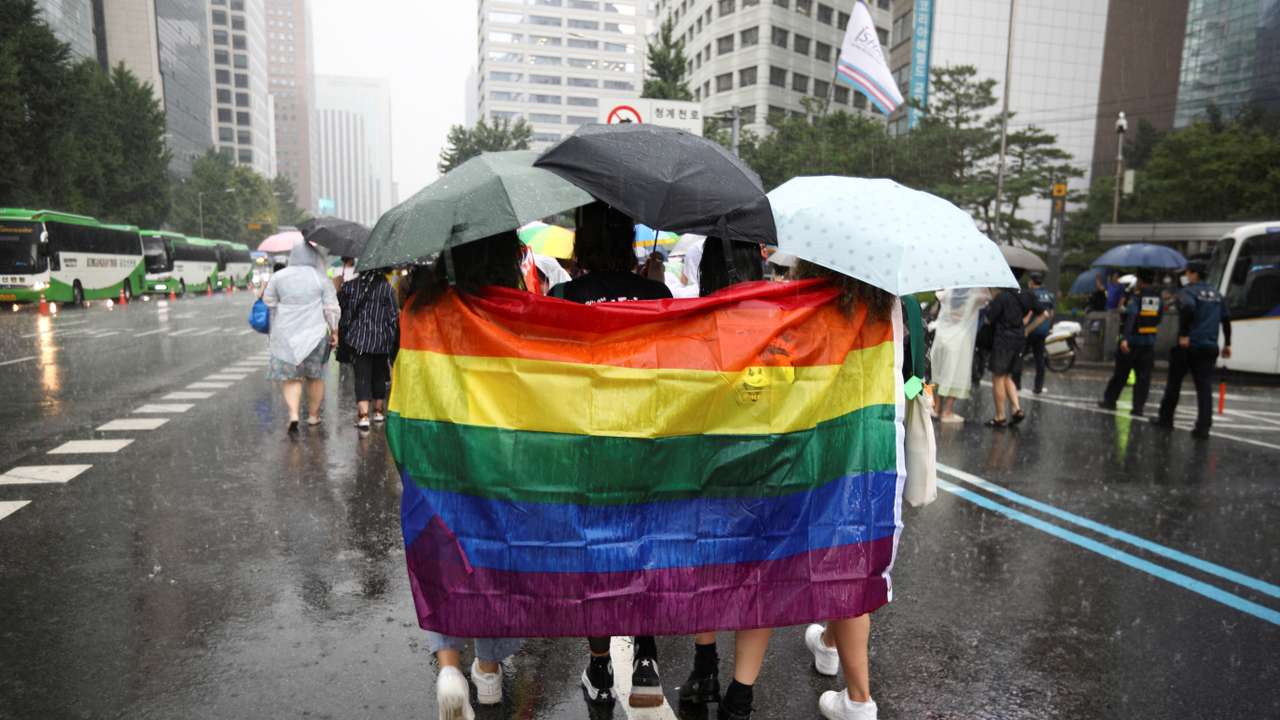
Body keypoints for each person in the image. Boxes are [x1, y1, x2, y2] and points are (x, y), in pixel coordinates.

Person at [402, 232, 527, 720]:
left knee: (442, 552)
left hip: (436, 456)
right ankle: (489, 670)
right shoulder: (514, 310)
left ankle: (449, 667)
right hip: (499, 457)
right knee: (495, 558)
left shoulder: (421, 309)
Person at [552, 202, 671, 710]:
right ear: (627, 242)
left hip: (588, 443)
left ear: (582, 242)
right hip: (646, 438)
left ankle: (600, 668)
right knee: (645, 544)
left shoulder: (562, 298)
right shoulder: (659, 295)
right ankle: (646, 658)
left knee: (596, 554)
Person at [792, 261, 896, 720]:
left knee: (843, 567)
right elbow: (915, 376)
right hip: (880, 449)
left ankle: (858, 699)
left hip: (826, 446)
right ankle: (830, 645)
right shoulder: (895, 309)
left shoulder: (811, 307)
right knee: (855, 557)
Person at [678, 237, 770, 720]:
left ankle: (705, 668)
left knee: (707, 569)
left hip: (708, 467)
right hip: (770, 468)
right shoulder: (785, 322)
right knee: (758, 580)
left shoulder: (693, 324)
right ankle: (740, 696)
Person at [263, 239, 340, 434]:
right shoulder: (320, 278)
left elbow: (269, 302)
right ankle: (313, 415)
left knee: (292, 378)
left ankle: (293, 414)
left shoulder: (279, 277)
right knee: (316, 376)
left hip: (286, 334)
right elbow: (331, 308)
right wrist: (334, 330)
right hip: (315, 334)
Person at [1153, 260, 1232, 438]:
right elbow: (1226, 319)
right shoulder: (1217, 294)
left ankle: (1166, 419)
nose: (1186, 276)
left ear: (1194, 274)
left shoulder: (1188, 292)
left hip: (1189, 346)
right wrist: (1228, 343)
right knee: (1204, 387)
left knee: (1174, 383)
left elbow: (1188, 307)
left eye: (1187, 273)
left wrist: (1184, 334)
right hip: (1210, 346)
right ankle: (1203, 426)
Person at [337, 268, 399, 430]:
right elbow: (393, 316)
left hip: (359, 340)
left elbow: (341, 309)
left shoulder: (350, 286)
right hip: (381, 340)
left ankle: (363, 416)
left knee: (362, 377)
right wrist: (390, 338)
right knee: (380, 375)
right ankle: (378, 412)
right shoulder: (387, 288)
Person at [1098, 269, 1163, 415]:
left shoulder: (1136, 297)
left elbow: (1131, 318)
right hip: (1148, 342)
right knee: (1143, 378)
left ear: (1140, 280)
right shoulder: (1158, 298)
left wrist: (1125, 338)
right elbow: (1159, 318)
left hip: (1133, 341)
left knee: (1121, 374)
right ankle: (1138, 407)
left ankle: (1110, 401)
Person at [928, 287, 991, 423]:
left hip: (941, 337)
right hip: (959, 340)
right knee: (955, 374)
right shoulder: (974, 297)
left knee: (938, 374)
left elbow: (939, 295)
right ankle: (947, 411)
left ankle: (936, 408)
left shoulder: (947, 293)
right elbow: (987, 297)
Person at [985, 286, 1030, 428]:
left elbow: (989, 319)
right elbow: (1031, 312)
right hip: (1019, 340)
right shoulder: (1022, 295)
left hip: (1003, 341)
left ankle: (1000, 416)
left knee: (998, 377)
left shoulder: (1002, 297)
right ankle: (1016, 408)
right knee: (1008, 376)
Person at [1022, 272, 1055, 394]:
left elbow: (1026, 312)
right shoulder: (1049, 295)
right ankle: (1038, 387)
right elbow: (1051, 314)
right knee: (1039, 359)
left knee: (1019, 356)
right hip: (1043, 331)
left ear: (1031, 281)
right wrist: (1048, 327)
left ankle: (1015, 384)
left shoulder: (1030, 294)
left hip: (1029, 329)